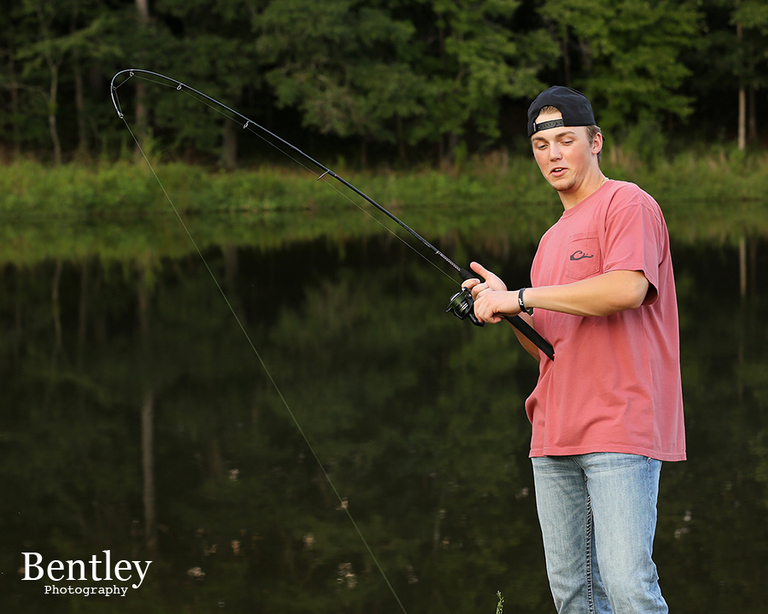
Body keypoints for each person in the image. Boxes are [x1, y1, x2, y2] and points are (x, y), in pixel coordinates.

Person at [463, 86, 685, 614]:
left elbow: (627, 287)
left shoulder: (627, 203)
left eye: (566, 140)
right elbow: (548, 347)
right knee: (574, 595)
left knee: (629, 588)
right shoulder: (549, 240)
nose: (553, 155)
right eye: (542, 146)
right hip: (554, 431)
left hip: (619, 424)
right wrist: (507, 308)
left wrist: (522, 296)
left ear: (595, 141)